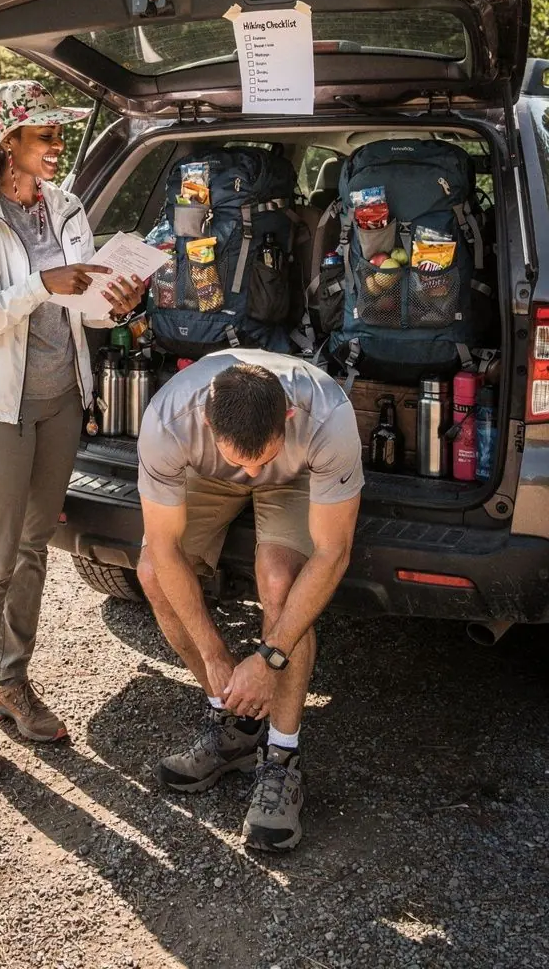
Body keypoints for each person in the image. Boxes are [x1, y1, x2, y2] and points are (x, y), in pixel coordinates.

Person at [0, 79, 145, 778]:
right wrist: (39, 286)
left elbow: (84, 307)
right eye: (44, 135)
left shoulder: (66, 205)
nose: (58, 146)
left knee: (33, 548)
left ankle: (11, 683)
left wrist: (116, 301)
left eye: (58, 134)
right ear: (8, 143)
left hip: (60, 400)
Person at [135, 350, 363, 851]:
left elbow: (334, 552)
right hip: (208, 474)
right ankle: (233, 724)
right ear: (207, 422)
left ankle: (282, 757)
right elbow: (164, 548)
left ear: (288, 416)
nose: (254, 472)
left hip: (297, 477)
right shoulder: (168, 421)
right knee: (151, 571)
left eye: (263, 457)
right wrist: (215, 655)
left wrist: (267, 659)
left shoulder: (327, 416)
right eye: (244, 462)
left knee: (281, 581)